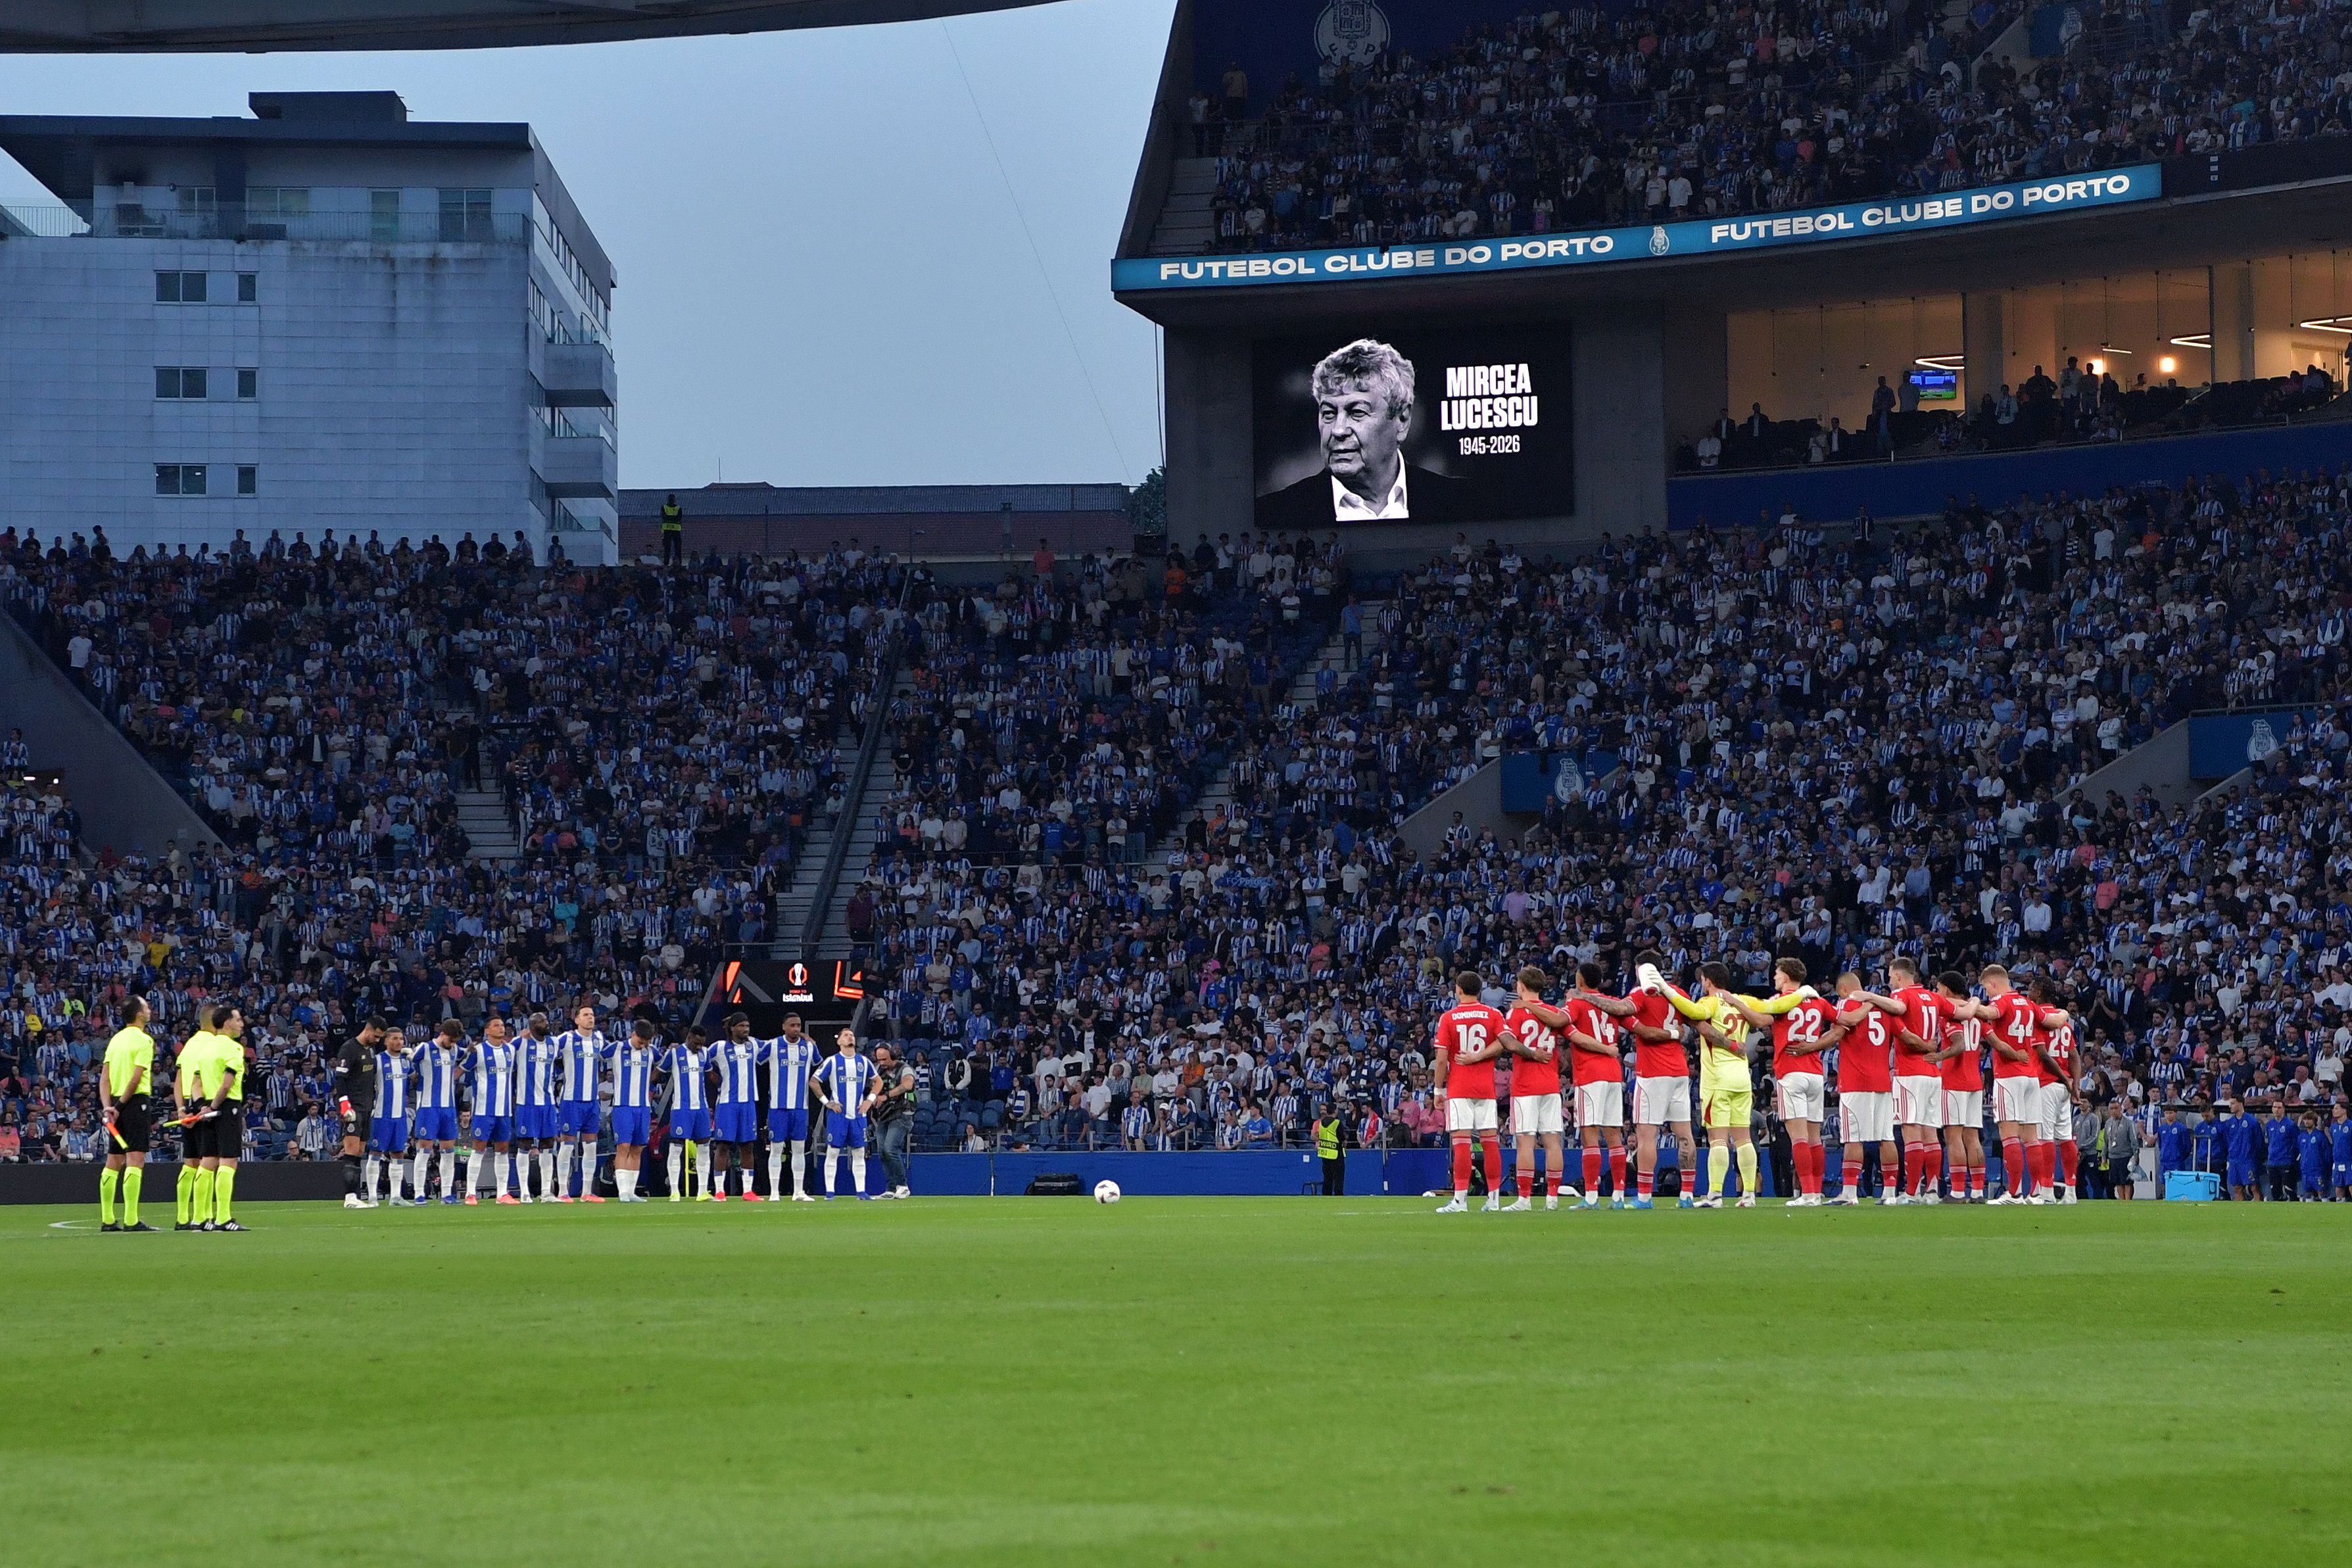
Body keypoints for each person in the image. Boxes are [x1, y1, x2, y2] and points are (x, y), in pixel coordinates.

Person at [1255, 339, 1469, 529]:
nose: (1338, 431)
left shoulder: (1458, 500)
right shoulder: (1277, 511)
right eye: (1328, 413)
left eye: (1357, 412)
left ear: (1402, 421)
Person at [1725, 958, 1842, 1206]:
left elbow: (1760, 1020)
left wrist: (1736, 1002)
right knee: (1814, 1138)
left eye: (1777, 974)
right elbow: (1843, 1024)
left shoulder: (1781, 1002)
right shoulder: (1818, 1001)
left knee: (1798, 1138)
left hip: (1791, 1072)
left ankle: (1808, 1194)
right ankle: (1817, 1191)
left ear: (1787, 977)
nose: (1775, 978)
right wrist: (1816, 1045)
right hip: (1814, 1072)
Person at [1431, 969, 1508, 1213]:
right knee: (1490, 1143)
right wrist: (1481, 1056)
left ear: (1459, 989)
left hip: (1460, 1087)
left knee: (1462, 1143)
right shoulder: (1493, 1014)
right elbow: (1505, 1041)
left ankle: (1460, 1200)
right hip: (1485, 1087)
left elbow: (1442, 1059)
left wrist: (1437, 1089)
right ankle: (1494, 1199)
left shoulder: (1449, 1018)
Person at [1625, 951, 1697, 1210]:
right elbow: (1695, 1019)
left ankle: (1644, 1197)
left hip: (1652, 1072)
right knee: (1685, 1136)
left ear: (1640, 969)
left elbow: (1628, 1016)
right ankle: (1687, 1195)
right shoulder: (1677, 993)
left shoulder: (1640, 993)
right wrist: (1680, 1032)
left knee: (1646, 1135)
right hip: (1679, 1071)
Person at [1502, 965, 1575, 1210]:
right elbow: (1565, 1049)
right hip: (1550, 1084)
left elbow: (1510, 1043)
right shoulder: (1553, 1012)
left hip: (1525, 1085)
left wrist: (1532, 1054)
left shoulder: (1517, 1013)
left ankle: (1524, 1198)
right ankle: (1552, 1198)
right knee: (1553, 1141)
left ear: (1521, 986)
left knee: (1525, 1142)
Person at [1830, 974, 1905, 1206]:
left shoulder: (1846, 1004)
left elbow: (1839, 1030)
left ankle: (1850, 1193)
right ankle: (1890, 1193)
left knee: (1854, 1139)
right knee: (1886, 1137)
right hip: (1883, 1081)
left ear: (1843, 989)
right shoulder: (1885, 1009)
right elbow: (1905, 1035)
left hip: (1855, 1082)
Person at [1562, 962, 1627, 1208]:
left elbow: (1562, 1021)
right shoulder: (1610, 1003)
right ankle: (1618, 1197)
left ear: (1580, 980)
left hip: (1589, 1074)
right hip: (1613, 1073)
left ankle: (1591, 1197)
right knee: (1614, 1138)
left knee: (1590, 1138)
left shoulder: (1576, 1003)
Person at [1981, 964, 2048, 1204]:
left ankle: (2015, 1192)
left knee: (2009, 1135)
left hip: (2009, 1075)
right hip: (2031, 1076)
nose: (1987, 994)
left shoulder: (2002, 1002)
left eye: (1986, 989)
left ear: (1993, 983)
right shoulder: (2028, 1004)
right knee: (2031, 1137)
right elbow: (2050, 1019)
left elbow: (1990, 1014)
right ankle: (2038, 1193)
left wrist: (1972, 1007)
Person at [1885, 958, 1950, 1201]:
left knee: (1911, 1132)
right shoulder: (1933, 998)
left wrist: (1923, 1046)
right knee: (1931, 1134)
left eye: (1891, 976)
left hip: (1910, 1073)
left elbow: (1903, 1035)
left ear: (1900, 977)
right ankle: (1932, 1191)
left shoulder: (1900, 997)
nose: (1889, 981)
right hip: (1934, 1073)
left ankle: (1911, 1192)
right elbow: (1961, 1011)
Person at [97, 996, 156, 1232]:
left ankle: (108, 1219)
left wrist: (108, 1107)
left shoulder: (116, 1040)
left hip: (114, 1105)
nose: (150, 1010)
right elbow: (137, 1076)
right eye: (146, 1007)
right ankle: (131, 1219)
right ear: (139, 1014)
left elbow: (104, 1077)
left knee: (113, 1161)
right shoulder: (144, 1041)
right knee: (135, 1160)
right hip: (134, 1103)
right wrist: (121, 1106)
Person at [1932, 972, 1988, 1202]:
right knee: (1972, 1137)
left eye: (1938, 989)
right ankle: (1977, 1191)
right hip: (1975, 1080)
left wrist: (1937, 1056)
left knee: (1953, 1137)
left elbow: (1958, 1045)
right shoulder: (1976, 1017)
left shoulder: (1949, 1016)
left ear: (1946, 990)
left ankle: (1957, 1191)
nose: (1937, 993)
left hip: (1954, 1080)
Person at [170, 1010, 225, 1231]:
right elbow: (200, 1079)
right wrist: (204, 1106)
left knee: (191, 1162)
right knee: (210, 1161)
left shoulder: (189, 1045)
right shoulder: (214, 1045)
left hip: (188, 1105)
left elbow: (179, 1081)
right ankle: (204, 1216)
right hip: (206, 1103)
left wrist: (181, 1109)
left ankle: (183, 1217)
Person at [810, 1028, 878, 1199]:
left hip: (858, 1116)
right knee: (832, 1152)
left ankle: (861, 1192)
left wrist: (869, 1100)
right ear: (839, 1041)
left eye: (852, 1035)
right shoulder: (832, 1061)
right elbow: (814, 1081)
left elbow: (878, 1081)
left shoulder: (864, 1062)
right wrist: (827, 1103)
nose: (850, 1037)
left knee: (859, 1153)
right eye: (846, 1035)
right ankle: (830, 1192)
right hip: (838, 1116)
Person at [2030, 979, 2081, 1203]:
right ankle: (2071, 1192)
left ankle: (2047, 1191)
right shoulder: (2065, 1024)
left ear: (2039, 992)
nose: (2030, 992)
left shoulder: (2039, 1018)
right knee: (2066, 1138)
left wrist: (2064, 1079)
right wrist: (2074, 1085)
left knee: (2045, 1138)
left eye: (2032, 988)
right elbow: (2075, 1057)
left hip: (2047, 1083)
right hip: (2062, 1087)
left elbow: (2042, 1054)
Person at [760, 1013, 820, 1203]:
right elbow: (755, 1057)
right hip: (778, 1108)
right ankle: (775, 1193)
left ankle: (799, 1192)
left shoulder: (809, 1047)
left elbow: (819, 1064)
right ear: (784, 1026)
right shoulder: (772, 1045)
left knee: (799, 1150)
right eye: (792, 1025)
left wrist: (813, 1042)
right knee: (776, 1150)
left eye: (799, 1025)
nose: (796, 1028)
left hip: (800, 1108)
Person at [553, 1003, 608, 1203]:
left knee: (591, 1146)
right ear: (576, 1020)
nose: (590, 1018)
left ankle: (586, 1192)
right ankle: (562, 1191)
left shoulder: (599, 1039)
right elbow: (547, 1048)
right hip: (571, 1101)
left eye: (592, 1015)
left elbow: (612, 1052)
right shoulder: (566, 1039)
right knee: (567, 1146)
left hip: (592, 1102)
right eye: (585, 1015)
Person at [408, 1021, 466, 1206]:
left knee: (448, 1152)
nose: (453, 1044)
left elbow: (471, 1053)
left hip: (448, 1108)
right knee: (424, 1151)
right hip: (428, 1107)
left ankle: (447, 1194)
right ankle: (419, 1194)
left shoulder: (455, 1050)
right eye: (451, 1039)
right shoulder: (424, 1049)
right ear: (442, 1033)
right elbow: (408, 1062)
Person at [331, 1015, 383, 1211]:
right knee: (351, 1151)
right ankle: (350, 1197)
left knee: (360, 1152)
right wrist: (345, 1104)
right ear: (368, 1030)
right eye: (376, 1036)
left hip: (367, 1107)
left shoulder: (370, 1049)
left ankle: (356, 1196)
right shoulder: (349, 1048)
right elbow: (340, 1078)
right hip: (352, 1107)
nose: (378, 1041)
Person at [604, 1019, 659, 1202]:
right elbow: (597, 1054)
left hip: (643, 1107)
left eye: (646, 1043)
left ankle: (631, 1191)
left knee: (638, 1148)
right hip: (623, 1106)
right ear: (633, 1034)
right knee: (623, 1147)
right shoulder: (617, 1048)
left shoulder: (651, 1052)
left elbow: (666, 1062)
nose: (642, 1046)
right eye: (640, 1042)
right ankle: (623, 1192)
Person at [709, 1012, 762, 1200]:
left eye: (747, 1026)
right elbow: (700, 1060)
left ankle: (748, 1191)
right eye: (741, 1026)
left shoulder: (754, 1045)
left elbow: (776, 1045)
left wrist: (804, 1038)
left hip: (748, 1104)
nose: (745, 1030)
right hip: (727, 1104)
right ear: (732, 1028)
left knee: (748, 1146)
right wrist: (713, 1077)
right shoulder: (720, 1047)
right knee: (723, 1147)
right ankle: (719, 1191)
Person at [466, 1017, 517, 1206]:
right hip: (483, 1110)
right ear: (487, 1030)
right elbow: (461, 1069)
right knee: (478, 1148)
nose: (501, 1027)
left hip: (504, 1110)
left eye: (503, 1025)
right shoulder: (478, 1051)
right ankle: (470, 1193)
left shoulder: (510, 1050)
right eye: (496, 1025)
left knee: (503, 1150)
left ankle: (502, 1193)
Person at [511, 1010, 560, 1202]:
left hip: (547, 1103)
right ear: (532, 1026)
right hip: (526, 1103)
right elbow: (502, 1049)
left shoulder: (554, 1044)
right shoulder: (521, 1043)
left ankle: (546, 1192)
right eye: (541, 1021)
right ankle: (524, 1192)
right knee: (524, 1145)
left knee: (548, 1145)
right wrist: (517, 1037)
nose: (546, 1023)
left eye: (546, 1020)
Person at [661, 1027, 713, 1202]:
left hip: (701, 1108)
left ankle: (703, 1192)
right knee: (676, 1148)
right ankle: (675, 1191)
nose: (699, 1047)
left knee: (704, 1148)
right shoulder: (675, 1053)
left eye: (701, 1044)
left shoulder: (705, 1054)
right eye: (696, 1043)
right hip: (681, 1108)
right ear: (688, 1038)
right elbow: (657, 1073)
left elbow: (710, 1074)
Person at [370, 1028, 413, 1204]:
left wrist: (416, 1060)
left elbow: (415, 1078)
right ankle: (372, 1196)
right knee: (375, 1153)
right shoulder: (378, 1061)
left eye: (401, 1039)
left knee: (398, 1154)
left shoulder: (406, 1062)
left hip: (400, 1116)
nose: (399, 1042)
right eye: (394, 1039)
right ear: (386, 1041)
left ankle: (396, 1196)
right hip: (382, 1115)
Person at [870, 1043, 915, 1199]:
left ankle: (902, 1186)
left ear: (892, 1055)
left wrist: (887, 1096)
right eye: (879, 1060)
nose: (882, 1063)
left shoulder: (905, 1068)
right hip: (884, 1115)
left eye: (884, 1059)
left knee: (890, 1148)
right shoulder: (878, 1070)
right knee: (882, 1151)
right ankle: (890, 1188)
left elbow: (908, 1084)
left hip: (902, 1113)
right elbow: (874, 1087)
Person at [2218, 1097, 2259, 1200]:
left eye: (2232, 1104)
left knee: (2254, 1187)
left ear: (2241, 1104)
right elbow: (2227, 1141)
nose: (2230, 1106)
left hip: (2248, 1160)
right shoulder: (2229, 1123)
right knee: (2237, 1187)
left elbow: (2258, 1141)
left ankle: (2260, 1211)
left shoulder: (2252, 1121)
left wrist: (2254, 1156)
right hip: (2234, 1160)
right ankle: (2240, 1212)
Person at [659, 493, 683, 566]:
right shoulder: (664, 507)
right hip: (670, 530)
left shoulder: (678, 508)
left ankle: (678, 562)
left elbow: (678, 518)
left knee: (677, 547)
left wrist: (669, 518)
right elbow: (665, 517)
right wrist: (673, 518)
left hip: (672, 530)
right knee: (668, 547)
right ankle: (666, 563)